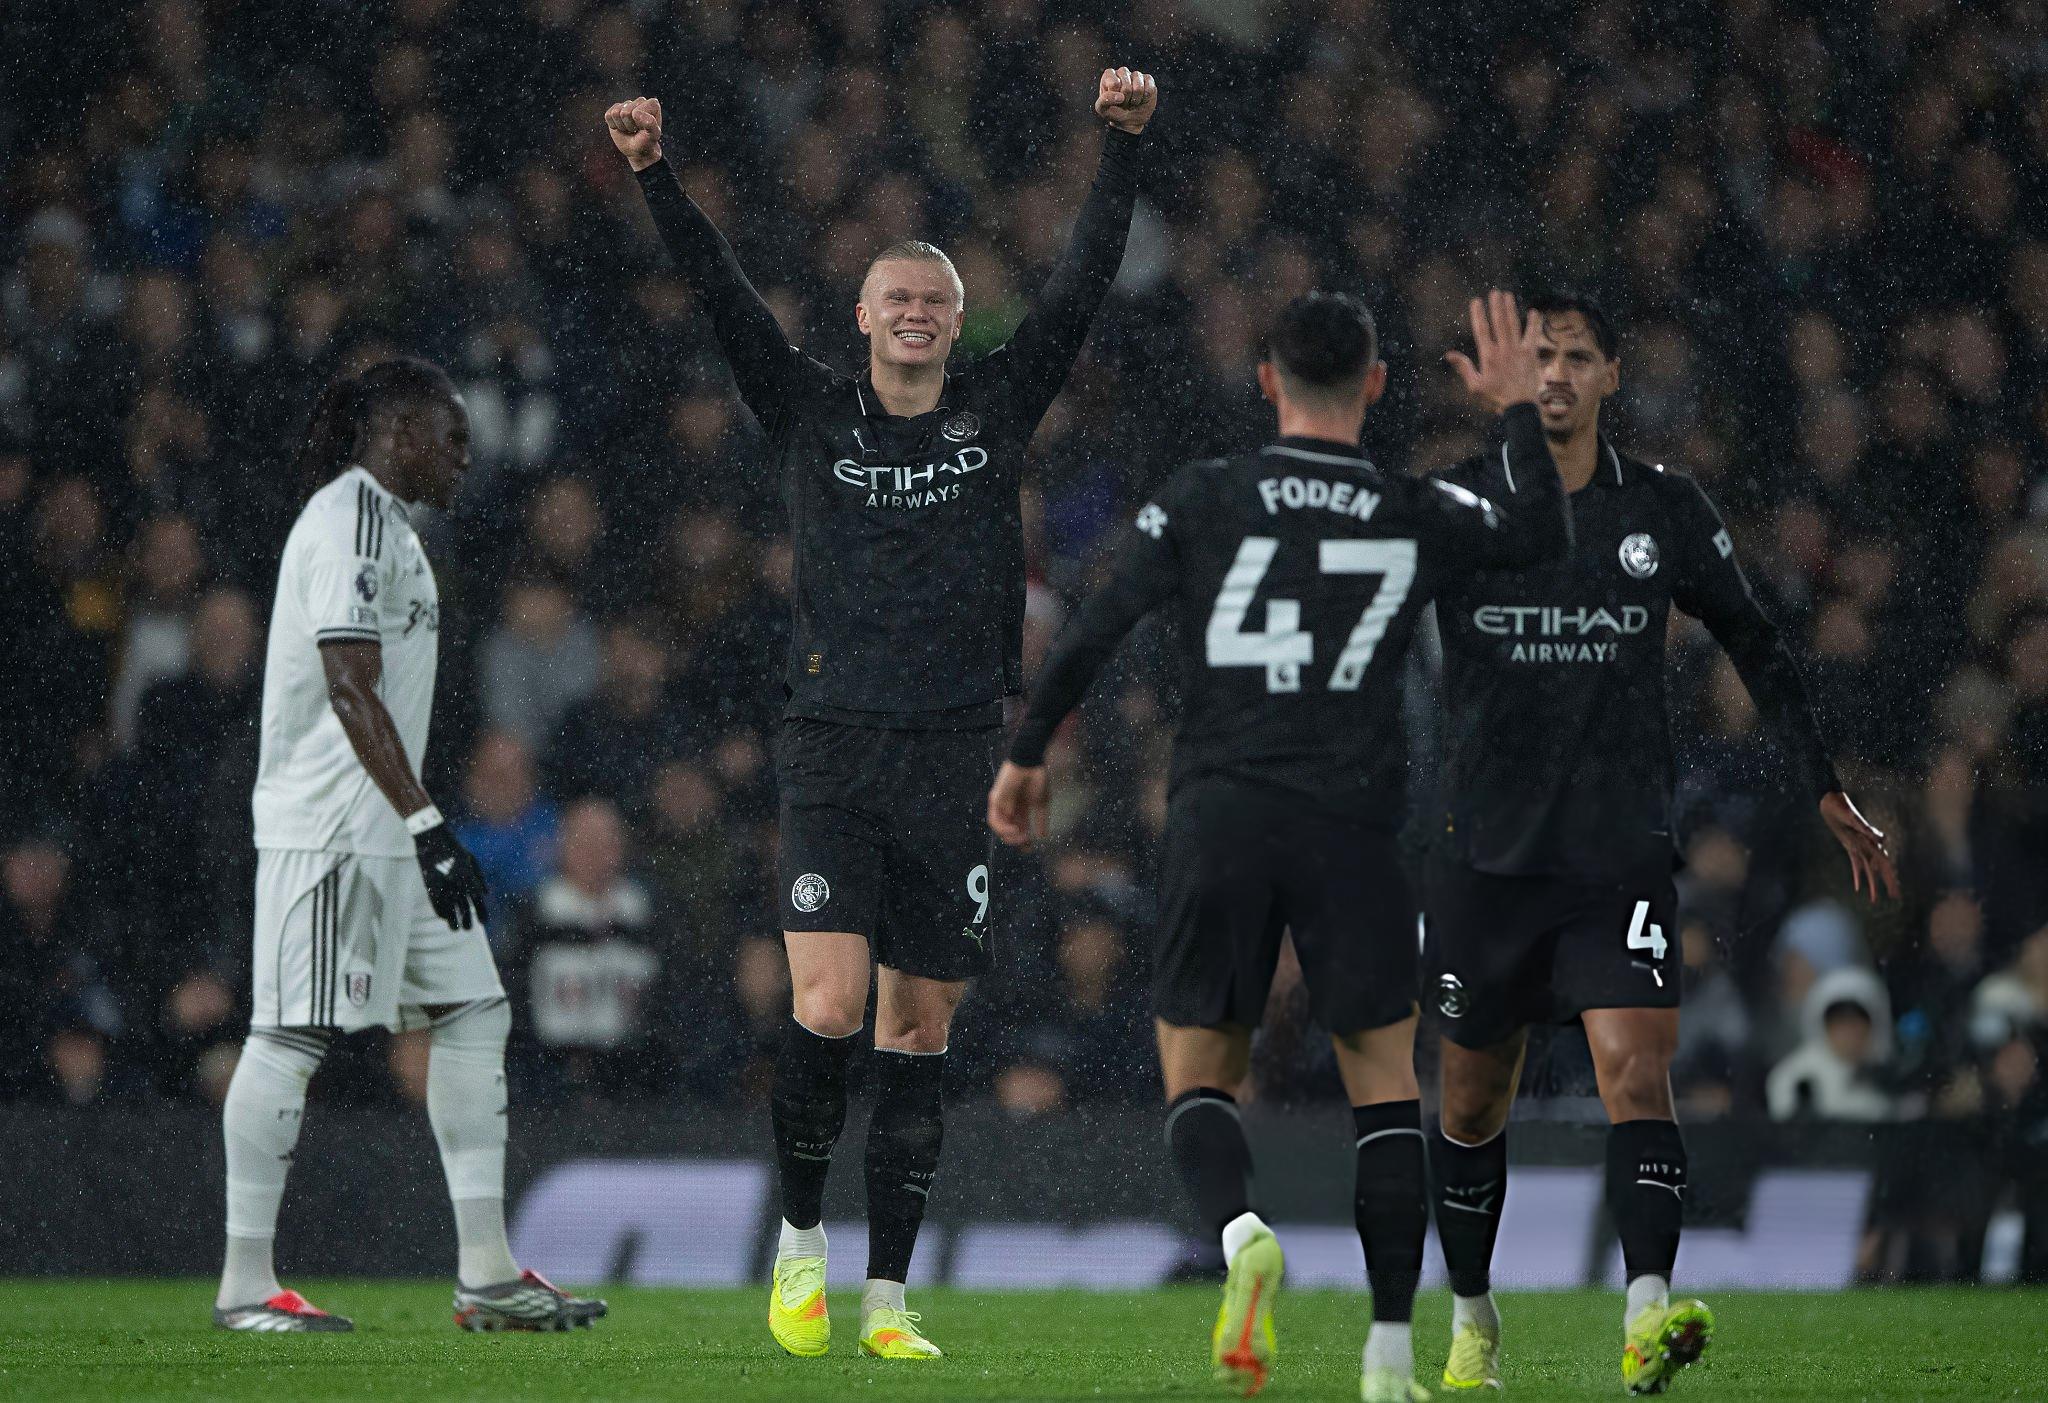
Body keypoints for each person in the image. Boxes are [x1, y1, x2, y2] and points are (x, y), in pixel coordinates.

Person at [605, 65, 1157, 1361]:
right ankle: (800, 1242)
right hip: (835, 747)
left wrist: (1123, 149)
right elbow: (719, 291)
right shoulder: (808, 407)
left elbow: (1081, 282)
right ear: (862, 315)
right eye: (896, 297)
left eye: (935, 301)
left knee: (919, 1028)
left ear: (959, 324)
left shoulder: (995, 408)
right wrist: (653, 173)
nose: (914, 313)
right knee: (828, 1006)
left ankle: (889, 1299)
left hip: (956, 752)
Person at [990, 290, 1567, 1402]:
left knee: (1198, 1074)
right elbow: (1540, 533)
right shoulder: (1411, 505)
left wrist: (1026, 752)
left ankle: (1238, 1229)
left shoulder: (1204, 494)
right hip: (1355, 825)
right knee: (1383, 1089)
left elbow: (1096, 622)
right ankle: (1388, 1354)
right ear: (1375, 385)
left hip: (1222, 808)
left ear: (1267, 382)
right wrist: (1513, 413)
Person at [1420, 293, 1898, 1394]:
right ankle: (1473, 1317)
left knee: (1636, 1072)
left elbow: (1754, 638)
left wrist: (1822, 782)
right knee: (1470, 1101)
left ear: (1611, 375)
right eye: (1539, 355)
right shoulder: (1459, 502)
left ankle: (1645, 1315)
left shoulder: (1663, 507)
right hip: (1484, 853)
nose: (1554, 373)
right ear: (1511, 374)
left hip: (1616, 850)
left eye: (1576, 356)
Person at [214, 358, 604, 1333]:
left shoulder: (397, 531)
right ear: (397, 435)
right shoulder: (348, 520)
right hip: (332, 829)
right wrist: (432, 823)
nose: (467, 456)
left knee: (474, 1009)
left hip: (392, 828)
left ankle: (486, 1274)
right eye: (452, 437)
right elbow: (349, 686)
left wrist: (420, 824)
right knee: (289, 1035)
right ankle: (245, 1282)